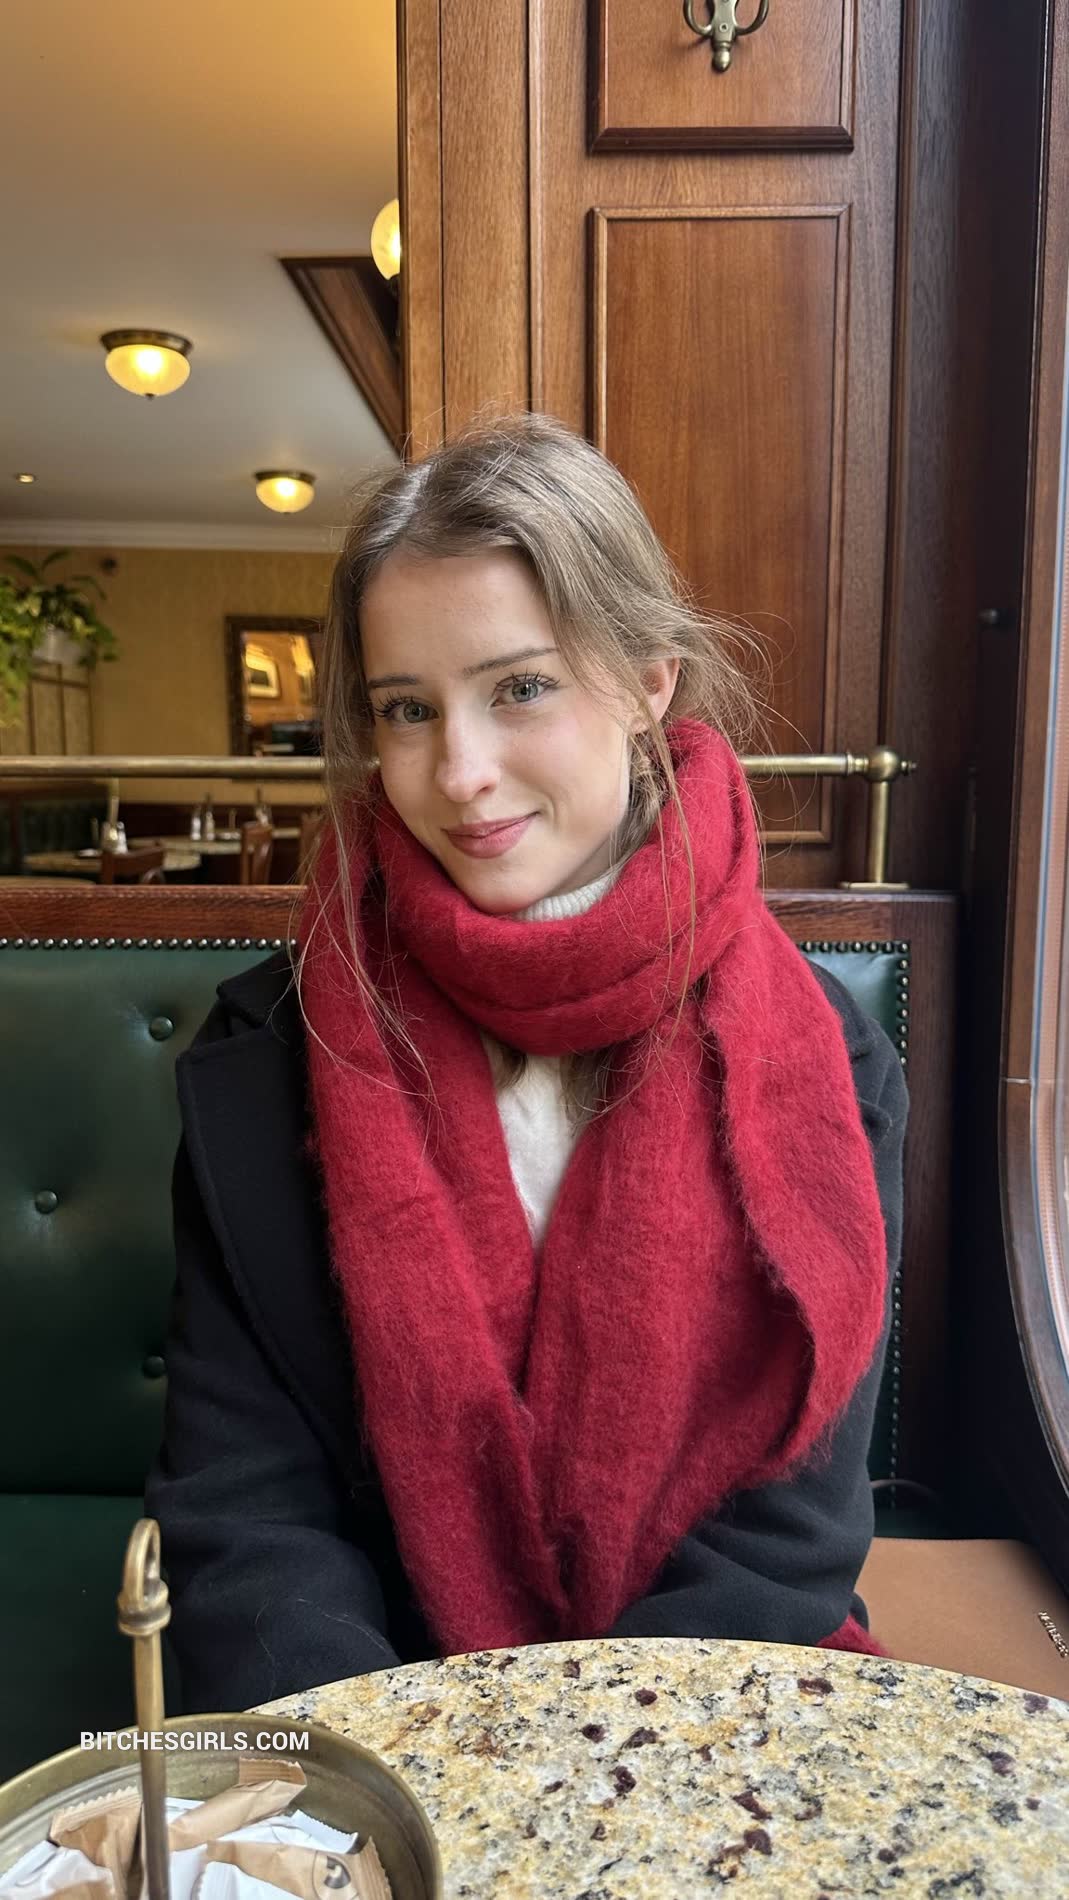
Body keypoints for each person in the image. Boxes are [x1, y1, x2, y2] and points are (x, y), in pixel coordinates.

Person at [146, 412, 907, 1714]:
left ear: (647, 681)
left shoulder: (829, 1056)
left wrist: (581, 1757)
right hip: (372, 1709)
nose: (459, 773)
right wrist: (387, 1773)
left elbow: (792, 1519)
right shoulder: (268, 1050)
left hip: (706, 1696)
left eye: (519, 688)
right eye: (405, 709)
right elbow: (245, 1500)